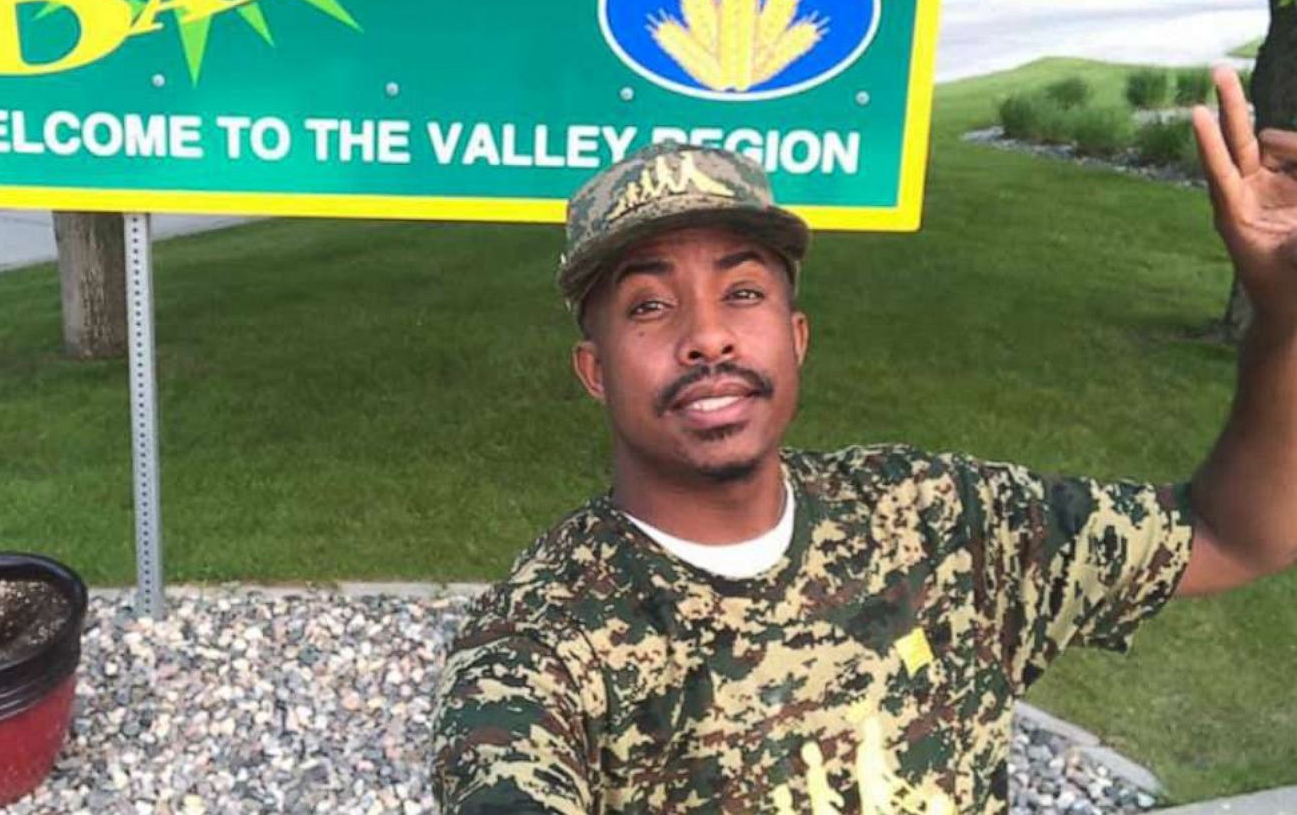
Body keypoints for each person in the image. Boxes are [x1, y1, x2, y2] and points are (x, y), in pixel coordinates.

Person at [430, 67, 1297, 813]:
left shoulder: (935, 519)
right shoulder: (543, 642)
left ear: (796, 338)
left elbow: (1233, 533)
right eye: (649, 306)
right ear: (594, 370)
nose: (707, 337)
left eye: (742, 293)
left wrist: (1286, 323)